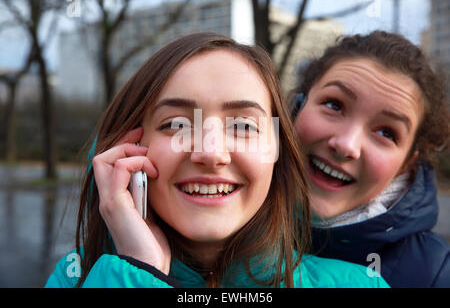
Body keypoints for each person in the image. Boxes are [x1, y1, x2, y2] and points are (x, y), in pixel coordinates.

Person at [45, 33, 388, 288]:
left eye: (242, 125)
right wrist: (137, 271)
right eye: (175, 124)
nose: (210, 153)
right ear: (129, 149)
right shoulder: (74, 278)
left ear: (276, 153)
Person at [290, 30, 450, 287]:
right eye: (334, 105)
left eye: (386, 132)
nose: (346, 146)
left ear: (406, 164)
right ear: (297, 107)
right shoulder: (219, 216)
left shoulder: (434, 274)